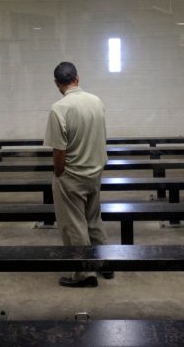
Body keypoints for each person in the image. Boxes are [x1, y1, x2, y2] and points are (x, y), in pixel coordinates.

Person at [43, 61, 112, 288]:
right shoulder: (96, 101)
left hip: (72, 174)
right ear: (77, 78)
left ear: (56, 84)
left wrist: (59, 173)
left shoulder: (59, 108)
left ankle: (84, 274)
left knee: (75, 225)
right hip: (95, 171)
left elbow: (59, 149)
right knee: (94, 219)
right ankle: (104, 264)